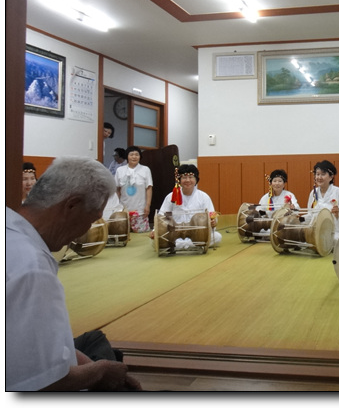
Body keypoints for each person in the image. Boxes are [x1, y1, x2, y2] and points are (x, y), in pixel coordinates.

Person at [6, 156, 141, 391]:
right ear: (72, 206)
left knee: (93, 340)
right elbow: (42, 384)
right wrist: (100, 372)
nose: (86, 230)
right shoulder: (32, 268)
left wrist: (93, 366)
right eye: (92, 219)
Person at [154, 164, 222, 248]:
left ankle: (179, 246)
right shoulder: (171, 196)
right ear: (179, 180)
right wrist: (155, 231)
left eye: (191, 177)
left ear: (196, 179)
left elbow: (212, 215)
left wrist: (213, 222)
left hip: (198, 234)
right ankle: (193, 245)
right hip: (174, 234)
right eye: (184, 177)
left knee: (217, 237)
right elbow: (161, 216)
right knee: (154, 241)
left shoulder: (204, 197)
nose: (187, 180)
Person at [307, 160, 339, 241]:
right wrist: (297, 218)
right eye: (317, 174)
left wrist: (337, 215)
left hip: (335, 232)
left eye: (323, 174)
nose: (319, 177)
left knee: (333, 239)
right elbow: (310, 215)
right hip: (318, 231)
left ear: (331, 177)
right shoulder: (313, 193)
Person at [114, 145, 153, 232]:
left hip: (140, 210)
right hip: (123, 210)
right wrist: (117, 206)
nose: (134, 157)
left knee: (141, 235)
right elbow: (117, 190)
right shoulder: (120, 170)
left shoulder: (145, 170)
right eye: (131, 154)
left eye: (137, 154)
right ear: (127, 156)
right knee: (123, 233)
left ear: (140, 156)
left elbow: (149, 188)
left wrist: (148, 205)